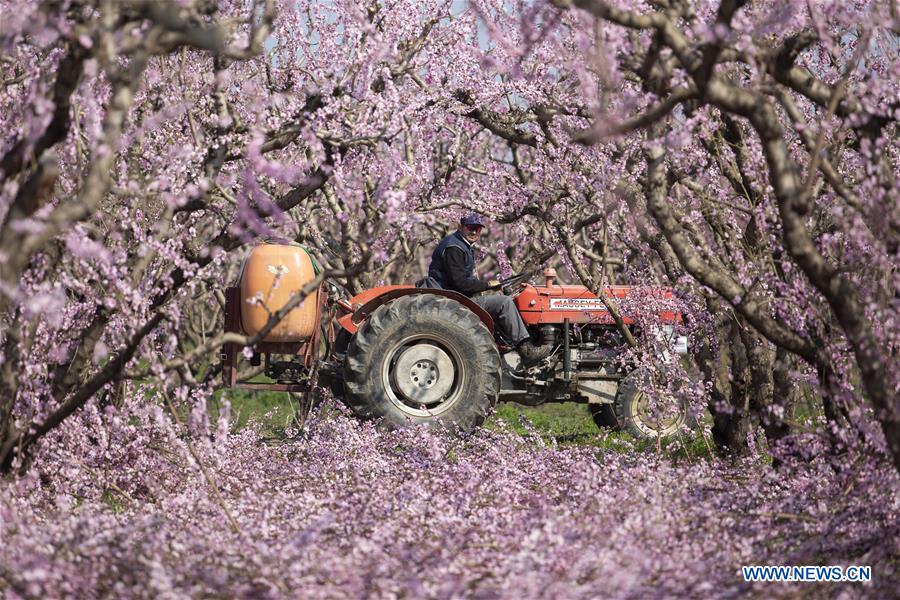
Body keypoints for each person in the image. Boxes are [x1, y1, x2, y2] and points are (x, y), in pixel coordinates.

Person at [425, 214, 551, 366]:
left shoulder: (461, 244)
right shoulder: (454, 248)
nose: (474, 232)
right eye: (470, 227)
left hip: (456, 296)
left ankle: (507, 347)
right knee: (504, 303)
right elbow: (460, 283)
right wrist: (488, 284)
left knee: (502, 301)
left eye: (477, 229)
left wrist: (489, 285)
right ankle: (526, 350)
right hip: (454, 299)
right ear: (460, 227)